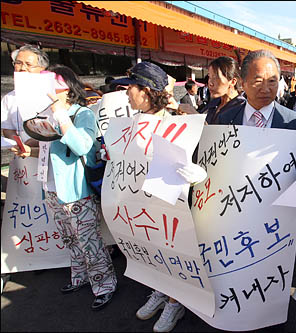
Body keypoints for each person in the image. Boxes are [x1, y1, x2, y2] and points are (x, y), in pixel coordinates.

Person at [10, 64, 117, 310]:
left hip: (76, 190)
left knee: (89, 241)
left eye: (54, 88)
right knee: (70, 239)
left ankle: (104, 285)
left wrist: (60, 115)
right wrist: (30, 150)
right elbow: (50, 148)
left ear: (68, 89)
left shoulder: (83, 114)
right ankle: (79, 277)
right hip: (51, 188)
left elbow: (83, 147)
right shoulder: (45, 112)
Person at [112, 61, 188, 333]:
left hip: (167, 208)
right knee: (152, 252)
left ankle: (174, 301)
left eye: (130, 87)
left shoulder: (177, 125)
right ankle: (159, 290)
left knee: (172, 253)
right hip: (138, 204)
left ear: (146, 90)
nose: (125, 92)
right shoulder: (130, 124)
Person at [215, 49, 296, 172]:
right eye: (258, 81)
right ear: (243, 83)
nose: (265, 89)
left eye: (272, 81)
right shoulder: (225, 119)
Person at [1, 44, 50, 146]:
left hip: (49, 153)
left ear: (42, 68)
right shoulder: (9, 98)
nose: (23, 68)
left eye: (28, 64)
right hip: (21, 156)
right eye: (18, 63)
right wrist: (19, 144)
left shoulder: (51, 94)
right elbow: (7, 128)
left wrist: (37, 142)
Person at [178, 56, 245, 125]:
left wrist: (194, 115)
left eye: (216, 77)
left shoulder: (242, 107)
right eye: (209, 77)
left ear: (232, 82)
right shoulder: (214, 103)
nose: (210, 83)